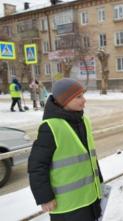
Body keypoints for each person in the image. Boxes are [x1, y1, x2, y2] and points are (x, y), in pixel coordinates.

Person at [28, 78, 103, 221]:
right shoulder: (50, 127)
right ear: (64, 100)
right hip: (67, 206)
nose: (84, 100)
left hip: (91, 198)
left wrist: (100, 182)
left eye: (83, 95)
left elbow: (90, 157)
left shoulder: (83, 121)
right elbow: (37, 166)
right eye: (79, 96)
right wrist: (45, 197)